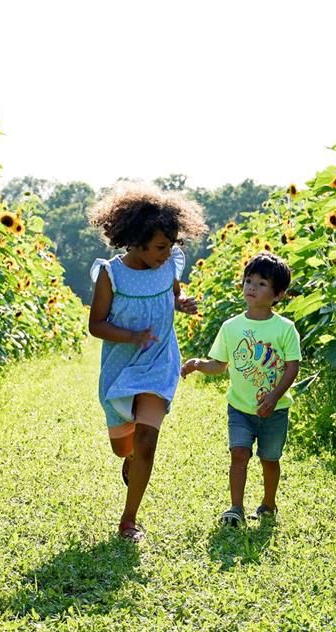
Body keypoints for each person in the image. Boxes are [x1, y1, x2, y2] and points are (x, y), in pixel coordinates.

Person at [88, 184, 206, 541]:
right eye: (159, 246)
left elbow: (172, 295)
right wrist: (132, 336)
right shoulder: (111, 274)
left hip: (159, 361)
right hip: (121, 366)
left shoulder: (168, 265)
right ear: (135, 240)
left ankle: (128, 520)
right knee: (123, 446)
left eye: (170, 245)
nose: (166, 253)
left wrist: (181, 303)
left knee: (147, 441)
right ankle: (129, 461)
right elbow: (96, 325)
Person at [180, 251, 301, 527]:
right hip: (240, 408)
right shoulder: (231, 327)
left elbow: (293, 368)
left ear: (278, 294)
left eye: (261, 283)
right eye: (249, 280)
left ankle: (268, 504)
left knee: (270, 459)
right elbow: (220, 365)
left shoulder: (285, 329)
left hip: (275, 410)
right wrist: (199, 364)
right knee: (239, 454)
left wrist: (274, 396)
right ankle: (235, 507)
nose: (252, 287)